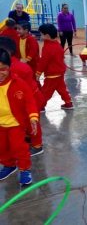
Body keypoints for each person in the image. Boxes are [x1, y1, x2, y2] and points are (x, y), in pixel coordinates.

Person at [0, 37, 44, 156]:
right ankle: (30, 138)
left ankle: (37, 145)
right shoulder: (15, 65)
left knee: (32, 123)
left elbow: (25, 93)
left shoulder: (14, 68)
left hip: (29, 100)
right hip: (25, 99)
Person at [0, 48, 38, 186]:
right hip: (1, 125)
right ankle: (9, 165)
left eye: (3, 69)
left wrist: (33, 117)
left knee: (19, 148)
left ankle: (24, 169)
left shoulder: (18, 83)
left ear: (9, 67)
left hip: (16, 124)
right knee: (2, 148)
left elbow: (30, 102)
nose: (0, 73)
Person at [36, 24, 73, 110]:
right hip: (60, 72)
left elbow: (43, 62)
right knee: (62, 89)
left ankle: (40, 105)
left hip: (52, 74)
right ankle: (68, 103)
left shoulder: (48, 47)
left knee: (46, 91)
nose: (40, 36)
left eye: (41, 34)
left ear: (47, 36)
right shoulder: (57, 44)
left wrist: (38, 73)